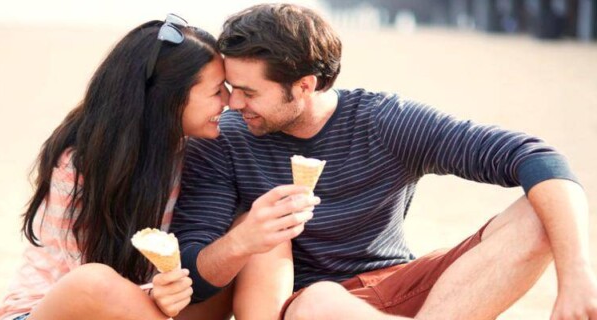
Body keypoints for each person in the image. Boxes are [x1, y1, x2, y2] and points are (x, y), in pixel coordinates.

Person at [171, 3, 597, 320]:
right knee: (319, 302)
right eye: (230, 88)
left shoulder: (383, 122)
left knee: (539, 213)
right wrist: (244, 239)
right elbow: (194, 270)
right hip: (313, 307)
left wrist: (576, 276)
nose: (233, 103)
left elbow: (536, 158)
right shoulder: (222, 141)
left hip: (412, 290)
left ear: (303, 86)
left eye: (249, 92)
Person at [0, 13, 274, 320]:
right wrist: (156, 293)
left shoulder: (194, 152)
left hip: (154, 306)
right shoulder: (82, 161)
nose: (228, 101)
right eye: (216, 91)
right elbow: (91, 287)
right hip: (55, 308)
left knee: (246, 238)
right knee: (93, 281)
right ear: (170, 99)